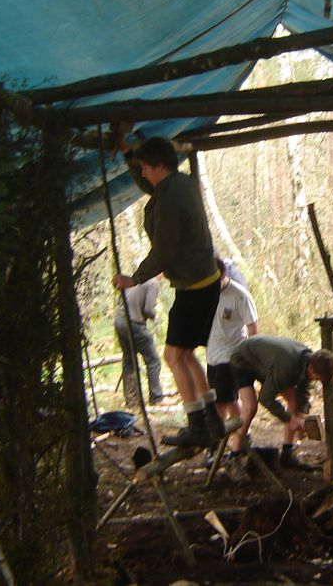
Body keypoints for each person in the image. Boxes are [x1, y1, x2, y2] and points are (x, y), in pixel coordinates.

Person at [111, 135, 224, 448]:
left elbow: (165, 250)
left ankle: (198, 425)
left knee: (173, 355)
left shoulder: (172, 199)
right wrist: (130, 154)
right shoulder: (180, 184)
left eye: (146, 167)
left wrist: (135, 278)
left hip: (195, 287)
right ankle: (211, 418)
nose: (143, 173)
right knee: (185, 355)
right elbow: (152, 189)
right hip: (202, 282)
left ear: (160, 165)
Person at [229, 335, 333, 470]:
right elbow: (265, 398)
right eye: (317, 378)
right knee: (250, 407)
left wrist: (301, 419)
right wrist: (289, 419)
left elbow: (303, 392)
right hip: (243, 359)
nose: (315, 381)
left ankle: (287, 454)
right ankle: (234, 456)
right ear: (311, 369)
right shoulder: (287, 369)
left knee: (294, 402)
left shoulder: (309, 360)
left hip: (268, 362)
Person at [205, 259, 260, 455]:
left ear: (223, 275)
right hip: (211, 355)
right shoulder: (205, 294)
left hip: (231, 357)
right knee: (229, 401)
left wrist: (253, 356)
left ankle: (216, 446)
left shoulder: (239, 295)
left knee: (220, 403)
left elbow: (253, 326)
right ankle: (242, 438)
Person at [114, 275, 170, 407]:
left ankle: (131, 401)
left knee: (129, 359)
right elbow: (148, 309)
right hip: (133, 323)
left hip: (119, 320)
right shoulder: (153, 282)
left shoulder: (135, 278)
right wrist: (157, 317)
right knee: (153, 360)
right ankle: (156, 397)